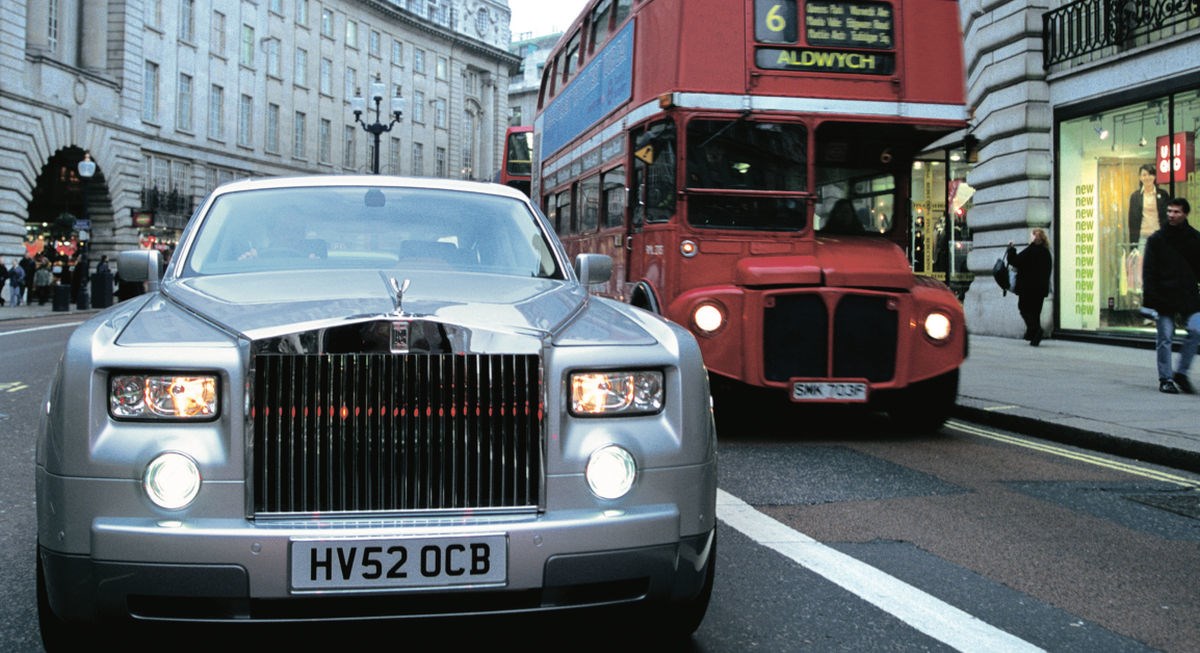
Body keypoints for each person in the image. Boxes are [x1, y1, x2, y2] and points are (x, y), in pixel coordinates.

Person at [1141, 198, 1200, 394]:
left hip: (1188, 296)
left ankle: (1181, 373)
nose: (1171, 215)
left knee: (1197, 330)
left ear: (1185, 214)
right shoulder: (1157, 240)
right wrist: (1151, 300)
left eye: (1176, 212)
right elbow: (1149, 272)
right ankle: (1165, 378)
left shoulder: (1195, 238)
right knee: (1165, 337)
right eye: (1169, 211)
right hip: (1163, 297)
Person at [1006, 228, 1053, 346]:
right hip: (1041, 289)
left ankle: (1036, 330)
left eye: (1032, 235)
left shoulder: (1031, 250)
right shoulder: (1046, 252)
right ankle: (1033, 336)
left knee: (1024, 309)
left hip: (1028, 288)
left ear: (1034, 238)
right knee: (1035, 312)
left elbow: (1014, 261)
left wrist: (1011, 249)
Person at [1128, 164, 1170, 248]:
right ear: (1140, 177)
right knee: (1143, 257)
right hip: (1142, 237)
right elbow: (1132, 221)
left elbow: (1168, 217)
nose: (1147, 177)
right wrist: (1133, 243)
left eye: (1150, 174)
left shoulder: (1163, 194)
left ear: (1154, 176)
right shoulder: (1135, 196)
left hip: (1160, 236)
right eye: (1144, 175)